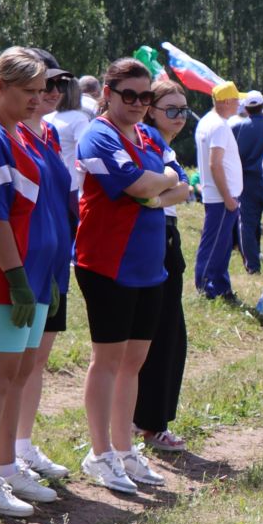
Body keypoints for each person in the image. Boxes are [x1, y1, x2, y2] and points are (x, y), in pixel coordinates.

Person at [0, 47, 71, 517]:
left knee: (17, 376)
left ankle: (4, 467)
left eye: (41, 91)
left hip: (35, 275)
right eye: (28, 91)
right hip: (5, 276)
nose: (37, 99)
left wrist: (46, 272)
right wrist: (18, 279)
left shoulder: (18, 133)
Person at [74, 57, 189, 493]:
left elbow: (179, 184)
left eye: (145, 96)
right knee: (107, 362)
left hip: (149, 266)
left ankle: (124, 450)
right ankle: (99, 453)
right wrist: (157, 185)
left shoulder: (146, 135)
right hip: (107, 264)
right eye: (130, 95)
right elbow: (139, 186)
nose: (140, 103)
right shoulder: (98, 135)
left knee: (134, 363)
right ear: (108, 93)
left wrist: (155, 191)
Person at [14, 50, 80, 484]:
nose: (51, 93)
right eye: (42, 86)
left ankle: (21, 444)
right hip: (25, 263)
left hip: (55, 261)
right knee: (15, 363)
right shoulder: (11, 133)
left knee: (37, 360)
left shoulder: (50, 133)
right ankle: (6, 455)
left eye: (56, 86)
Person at [135, 78, 194, 450]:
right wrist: (162, 195)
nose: (179, 116)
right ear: (151, 110)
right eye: (170, 109)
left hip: (164, 230)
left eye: (184, 110)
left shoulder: (164, 145)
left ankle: (149, 419)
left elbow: (184, 187)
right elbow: (158, 189)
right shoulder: (146, 139)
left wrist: (163, 193)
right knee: (160, 335)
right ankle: (151, 423)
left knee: (170, 335)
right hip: (154, 235)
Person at [193, 81, 243, 301]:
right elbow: (215, 163)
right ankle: (205, 286)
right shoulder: (220, 126)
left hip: (220, 195)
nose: (239, 104)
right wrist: (227, 197)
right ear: (225, 101)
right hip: (222, 197)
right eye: (236, 100)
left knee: (221, 245)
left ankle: (221, 286)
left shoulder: (208, 121)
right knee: (214, 244)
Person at [230, 90, 263, 274]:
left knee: (248, 223)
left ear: (247, 109)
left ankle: (252, 265)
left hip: (246, 181)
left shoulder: (238, 127)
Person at [43, 73, 92, 183]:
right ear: (76, 93)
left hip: (49, 179)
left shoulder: (46, 117)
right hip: (71, 181)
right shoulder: (79, 119)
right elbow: (85, 153)